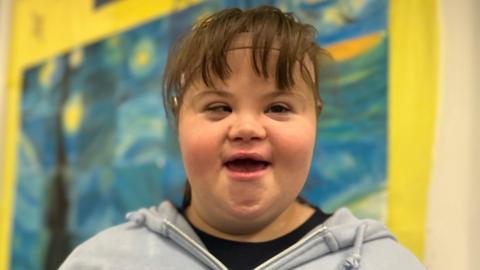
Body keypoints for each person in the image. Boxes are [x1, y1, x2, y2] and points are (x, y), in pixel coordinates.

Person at [60, 5, 425, 270]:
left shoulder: (382, 262)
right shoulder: (101, 262)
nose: (247, 128)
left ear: (315, 119)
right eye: (218, 107)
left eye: (279, 108)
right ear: (177, 121)